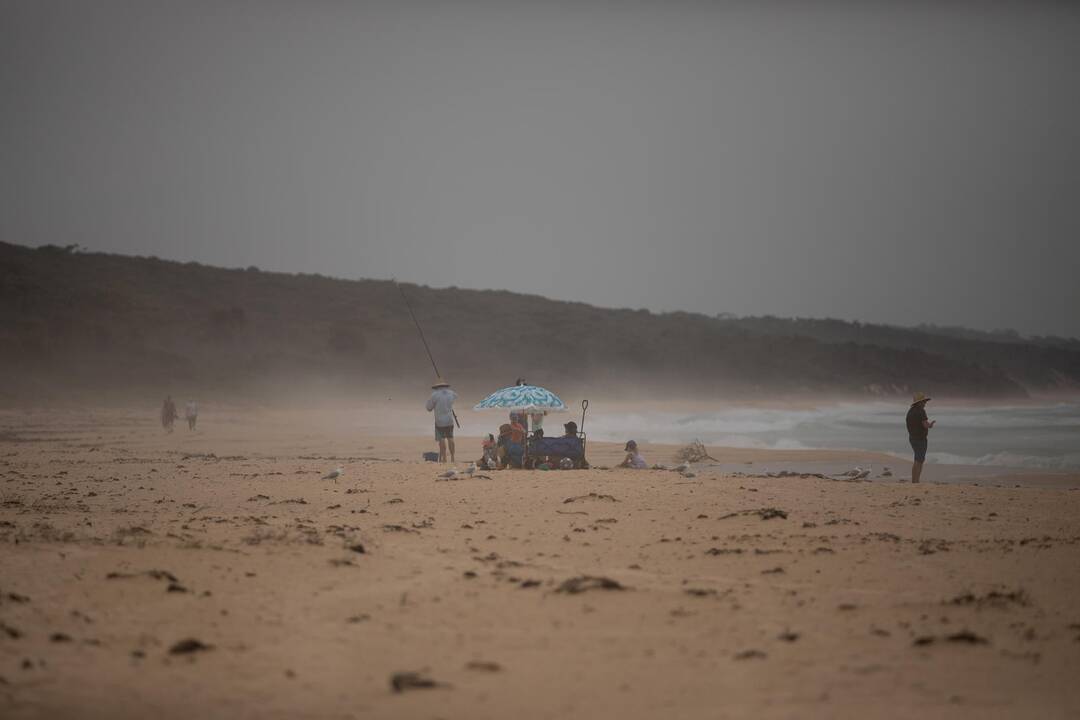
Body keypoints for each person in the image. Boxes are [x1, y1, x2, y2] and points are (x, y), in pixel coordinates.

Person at [906, 392, 936, 483]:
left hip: (912, 438)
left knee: (917, 459)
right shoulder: (921, 411)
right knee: (919, 460)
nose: (925, 403)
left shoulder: (910, 411)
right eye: (923, 402)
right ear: (919, 403)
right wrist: (930, 425)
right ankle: (915, 481)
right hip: (920, 439)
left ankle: (914, 480)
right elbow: (925, 425)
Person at [425, 379, 457, 463]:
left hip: (439, 421)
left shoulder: (434, 395)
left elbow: (428, 408)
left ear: (437, 387)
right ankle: (453, 458)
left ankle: (444, 459)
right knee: (451, 438)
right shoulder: (451, 393)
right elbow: (455, 397)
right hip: (450, 420)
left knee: (441, 439)